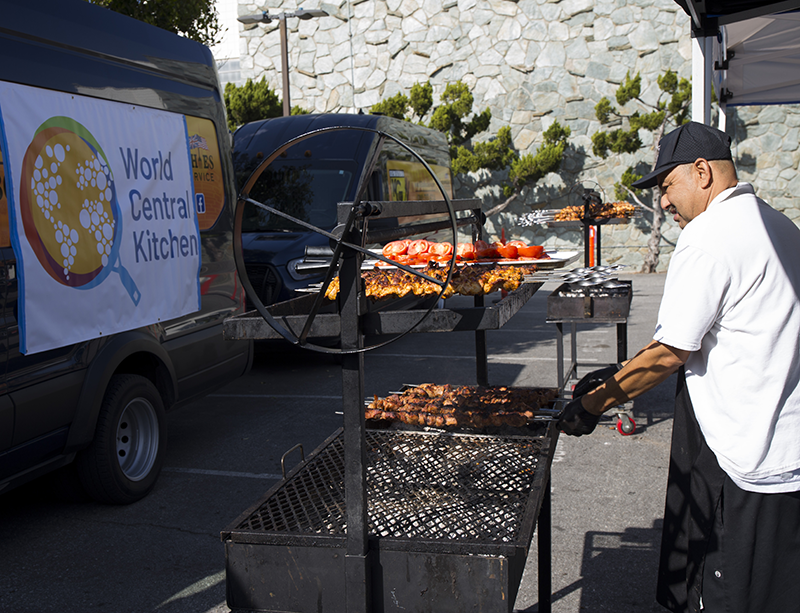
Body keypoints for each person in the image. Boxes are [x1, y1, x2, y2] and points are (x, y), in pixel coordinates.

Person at [557, 121, 800, 613]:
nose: (664, 203)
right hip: (788, 457)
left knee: (722, 596)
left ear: (703, 172)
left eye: (668, 185)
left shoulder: (709, 236)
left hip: (741, 462)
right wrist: (623, 371)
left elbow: (671, 353)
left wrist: (592, 405)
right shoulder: (780, 226)